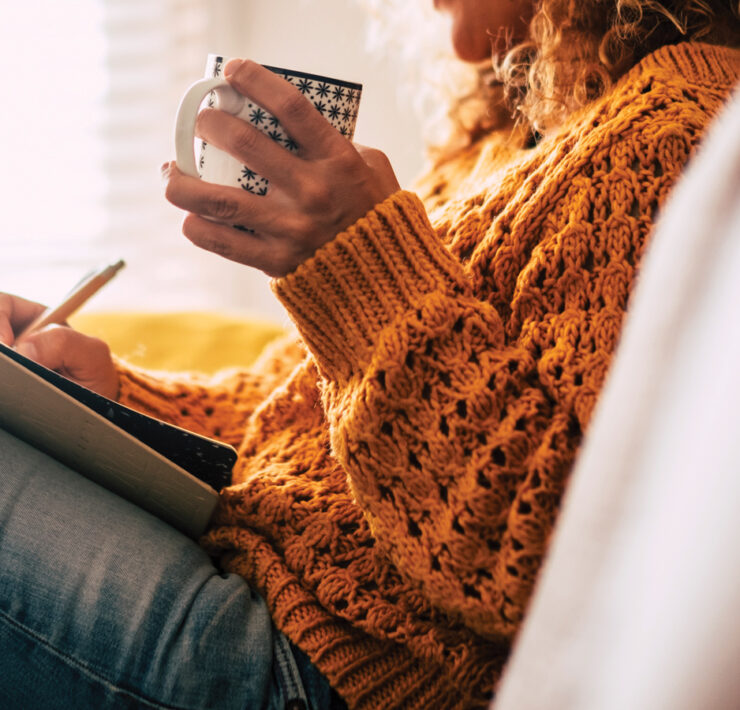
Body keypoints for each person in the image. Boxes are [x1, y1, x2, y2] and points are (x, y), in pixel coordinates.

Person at [0, 1, 738, 708]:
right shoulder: (520, 133)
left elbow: (555, 571)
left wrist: (360, 267)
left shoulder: (680, 138)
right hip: (261, 579)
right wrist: (124, 401)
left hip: (314, 665)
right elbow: (312, 412)